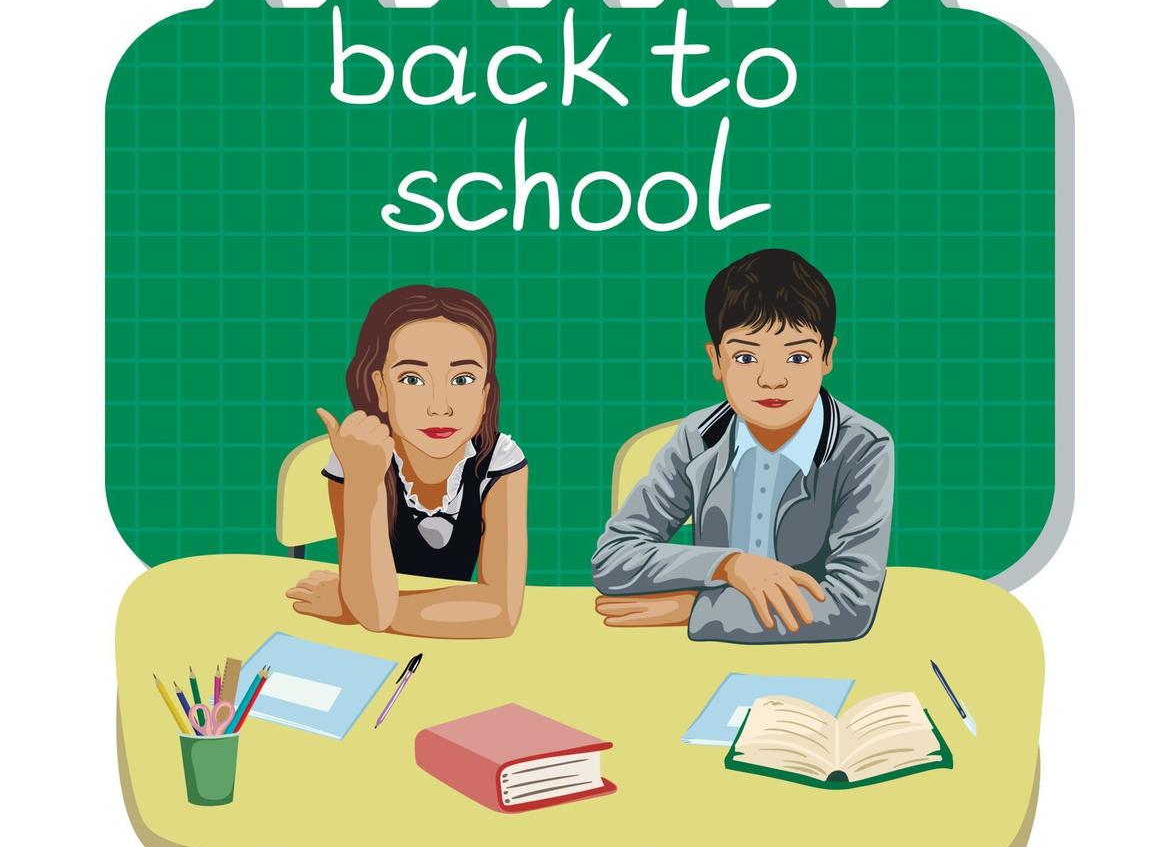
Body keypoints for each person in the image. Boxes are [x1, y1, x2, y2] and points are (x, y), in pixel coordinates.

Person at [591, 248, 894, 644]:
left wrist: (694, 609)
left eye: (798, 356)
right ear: (716, 360)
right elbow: (614, 558)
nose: (772, 380)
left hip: (815, 656)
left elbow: (849, 607)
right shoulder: (698, 436)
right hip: (707, 659)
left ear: (827, 357)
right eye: (747, 357)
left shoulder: (863, 448)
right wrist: (729, 565)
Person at [285, 285, 528, 638]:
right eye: (412, 379)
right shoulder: (357, 458)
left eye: (463, 379)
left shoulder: (500, 461)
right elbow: (374, 613)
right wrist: (365, 482)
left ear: (485, 395)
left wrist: (354, 605)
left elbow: (500, 614)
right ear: (381, 388)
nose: (439, 406)